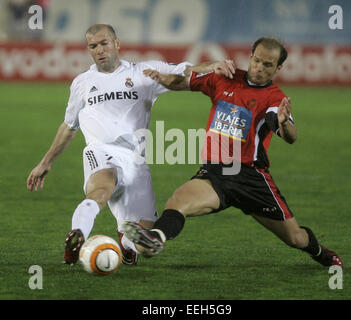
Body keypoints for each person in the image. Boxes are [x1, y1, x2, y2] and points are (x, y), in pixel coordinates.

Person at [120, 36, 343, 267]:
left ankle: (321, 253)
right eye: (257, 61)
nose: (259, 68)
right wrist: (162, 78)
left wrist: (284, 122)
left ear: (278, 68)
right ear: (250, 56)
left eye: (268, 65)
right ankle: (154, 239)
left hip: (251, 178)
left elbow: (290, 137)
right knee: (177, 202)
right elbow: (180, 82)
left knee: (295, 238)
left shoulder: (275, 98)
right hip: (216, 173)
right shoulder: (224, 78)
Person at [26, 23, 235, 266]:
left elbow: (184, 70)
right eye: (93, 46)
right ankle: (77, 235)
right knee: (102, 188)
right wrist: (45, 162)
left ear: (117, 43)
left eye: (104, 43)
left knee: (146, 239)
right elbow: (69, 126)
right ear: (89, 50)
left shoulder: (143, 72)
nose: (100, 50)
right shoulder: (82, 83)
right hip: (100, 150)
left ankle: (126, 244)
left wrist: (211, 66)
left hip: (135, 160)